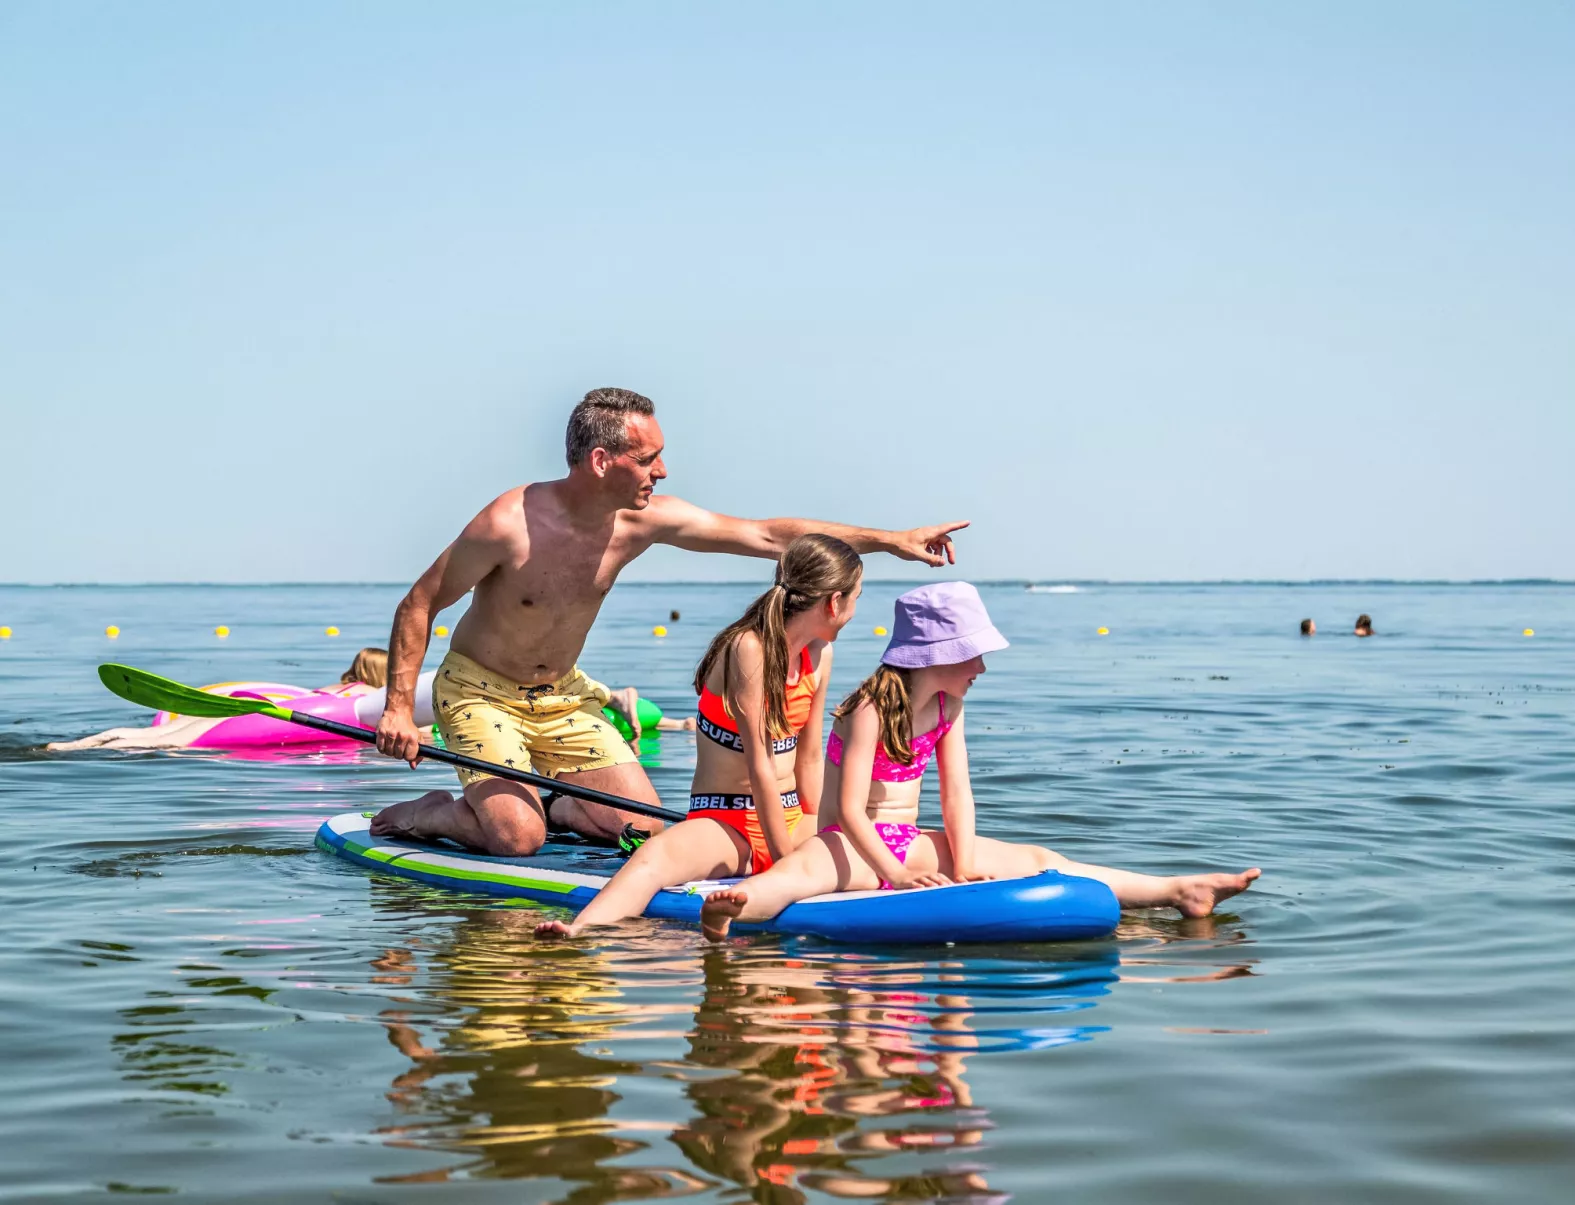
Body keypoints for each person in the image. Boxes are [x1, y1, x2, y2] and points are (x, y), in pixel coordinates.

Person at [368, 387, 966, 857]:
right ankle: (435, 811)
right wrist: (398, 708)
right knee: (516, 840)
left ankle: (565, 806)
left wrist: (890, 540)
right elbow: (418, 604)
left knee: (647, 833)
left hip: (562, 696)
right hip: (480, 693)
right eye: (649, 458)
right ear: (602, 461)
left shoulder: (643, 522)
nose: (663, 471)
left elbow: (766, 534)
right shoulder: (508, 524)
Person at [700, 582, 1261, 939]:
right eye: (974, 656)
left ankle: (1177, 891)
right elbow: (846, 811)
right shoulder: (868, 707)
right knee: (795, 877)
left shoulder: (950, 703)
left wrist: (962, 864)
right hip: (851, 843)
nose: (982, 669)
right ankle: (733, 910)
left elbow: (956, 794)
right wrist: (896, 878)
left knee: (1041, 856)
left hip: (909, 836)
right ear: (937, 656)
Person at [533, 535, 861, 938]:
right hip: (727, 823)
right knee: (653, 858)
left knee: (866, 836)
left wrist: (822, 829)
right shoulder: (748, 649)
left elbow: (809, 759)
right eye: (855, 599)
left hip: (793, 816)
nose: (854, 612)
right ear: (833, 602)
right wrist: (787, 866)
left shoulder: (819, 655)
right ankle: (580, 930)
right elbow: (760, 768)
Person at [46, 648, 432, 752]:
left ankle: (74, 744)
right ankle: (76, 748)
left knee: (148, 736)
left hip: (254, 706)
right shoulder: (369, 699)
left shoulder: (333, 689)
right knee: (169, 744)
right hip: (273, 720)